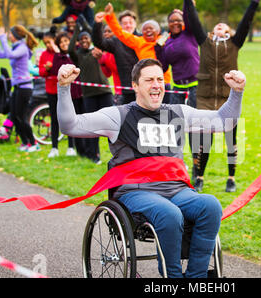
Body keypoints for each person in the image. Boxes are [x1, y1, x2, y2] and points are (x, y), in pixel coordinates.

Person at [56, 58, 246, 277]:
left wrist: (237, 92)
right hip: (136, 192)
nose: (156, 84)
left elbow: (223, 121)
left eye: (159, 79)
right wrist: (64, 88)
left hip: (176, 190)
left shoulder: (177, 113)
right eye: (149, 80)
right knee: (169, 214)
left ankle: (197, 277)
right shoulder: (118, 116)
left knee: (210, 205)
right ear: (135, 86)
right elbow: (69, 125)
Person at [184, 0, 260, 192]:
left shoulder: (235, 43)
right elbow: (194, 21)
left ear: (229, 31)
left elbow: (246, 22)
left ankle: (231, 179)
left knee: (231, 140)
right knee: (204, 141)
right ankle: (199, 177)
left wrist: (254, 4)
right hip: (205, 97)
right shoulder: (205, 42)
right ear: (212, 31)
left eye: (224, 25)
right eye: (217, 25)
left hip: (229, 98)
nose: (220, 24)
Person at [68, 20, 113, 164]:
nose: (84, 41)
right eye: (81, 39)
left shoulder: (96, 51)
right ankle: (94, 155)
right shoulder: (78, 56)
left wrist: (87, 26)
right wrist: (76, 31)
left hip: (104, 92)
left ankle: (117, 154)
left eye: (86, 38)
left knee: (110, 124)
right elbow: (70, 49)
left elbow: (97, 37)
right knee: (93, 127)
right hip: (89, 95)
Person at [0, 25, 40, 152]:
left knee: (21, 117)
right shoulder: (17, 47)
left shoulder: (23, 48)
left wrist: (2, 38)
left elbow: (9, 55)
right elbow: (0, 55)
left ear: (16, 35)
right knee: (14, 116)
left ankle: (33, 143)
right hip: (17, 87)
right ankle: (25, 143)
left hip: (25, 88)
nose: (8, 36)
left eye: (10, 34)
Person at [102, 3, 173, 92]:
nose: (148, 31)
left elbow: (178, 31)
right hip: (148, 83)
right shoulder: (139, 41)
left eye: (151, 28)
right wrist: (110, 16)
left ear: (158, 31)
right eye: (145, 29)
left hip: (164, 82)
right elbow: (120, 33)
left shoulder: (164, 39)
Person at [92, 10, 139, 104]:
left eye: (130, 22)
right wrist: (97, 24)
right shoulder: (115, 42)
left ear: (135, 24)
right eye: (125, 23)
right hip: (126, 90)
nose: (128, 25)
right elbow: (99, 42)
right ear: (120, 26)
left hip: (145, 89)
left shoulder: (143, 39)